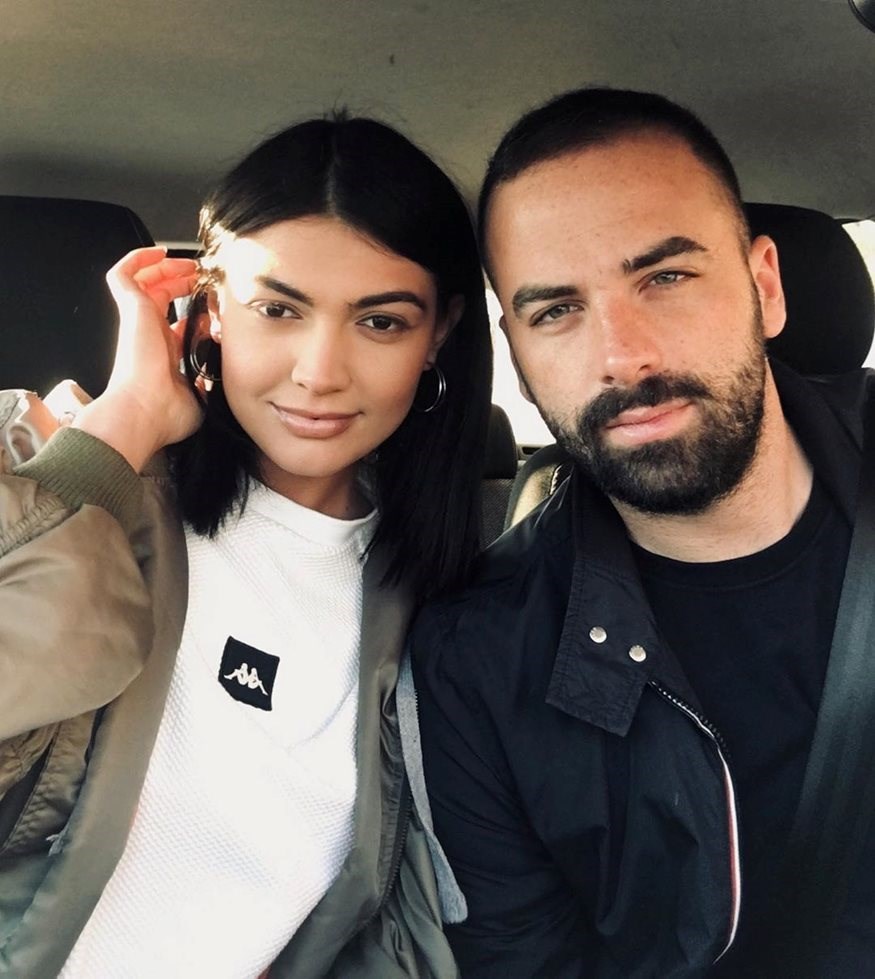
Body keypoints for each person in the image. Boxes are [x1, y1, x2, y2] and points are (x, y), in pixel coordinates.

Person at [0, 112, 491, 978]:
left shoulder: (448, 605)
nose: (319, 371)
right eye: (277, 309)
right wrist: (126, 423)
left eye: (381, 322)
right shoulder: (47, 475)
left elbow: (400, 931)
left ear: (438, 335)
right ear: (211, 304)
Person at [408, 87, 875, 977]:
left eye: (664, 277)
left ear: (764, 286)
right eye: (555, 310)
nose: (623, 356)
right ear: (517, 355)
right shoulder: (479, 662)